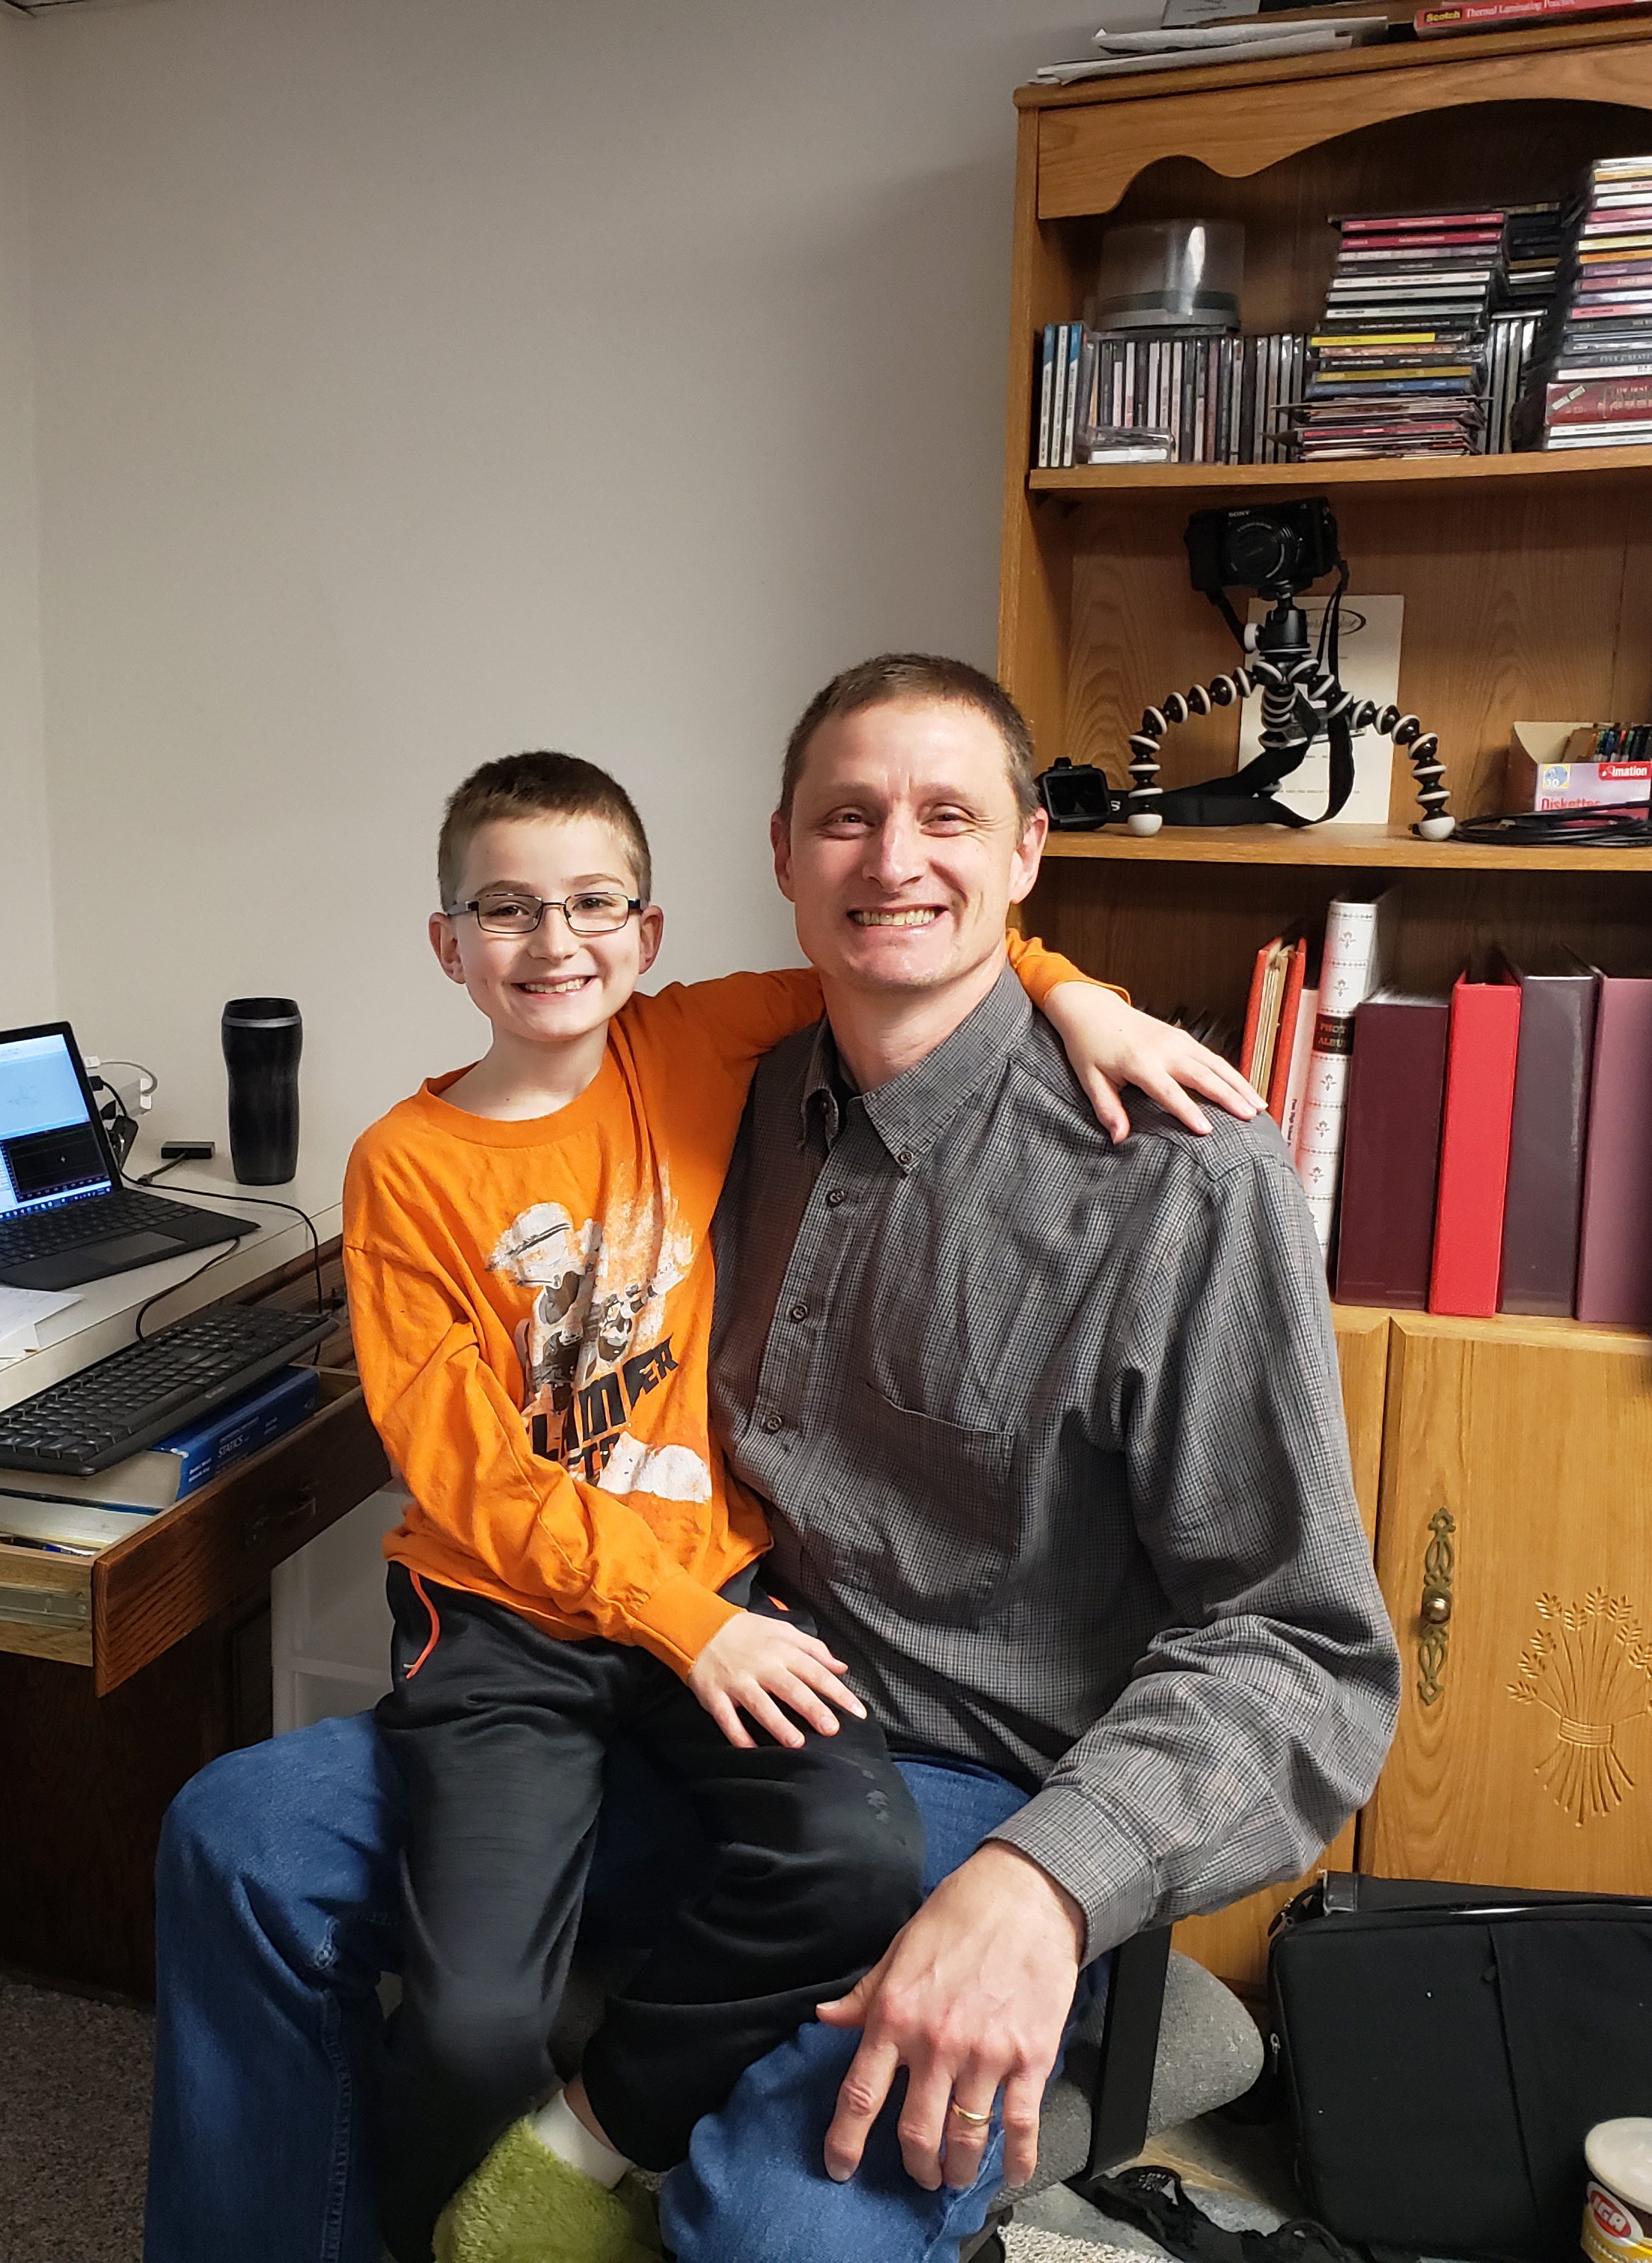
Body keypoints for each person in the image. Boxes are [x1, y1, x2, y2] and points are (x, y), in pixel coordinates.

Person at [144, 658, 1396, 2263]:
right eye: (848, 820)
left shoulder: (1179, 1184)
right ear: (785, 857)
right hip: (676, 1668)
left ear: (1026, 857)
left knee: (772, 2231)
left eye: (950, 817)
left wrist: (1048, 1886)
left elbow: (1303, 1647)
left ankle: (585, 2149)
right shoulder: (719, 1083)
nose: (893, 860)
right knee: (236, 1841)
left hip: (963, 1782)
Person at [344, 752, 1243, 2263]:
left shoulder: (692, 1037)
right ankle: (452, 2231)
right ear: (448, 944)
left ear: (646, 933)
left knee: (853, 1862)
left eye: (590, 906)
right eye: (506, 910)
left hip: (713, 1597)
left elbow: (911, 948)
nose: (553, 942)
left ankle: (586, 2150)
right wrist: (678, 1623)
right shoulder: (403, 1168)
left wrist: (1081, 994)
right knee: (469, 2016)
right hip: (506, 1618)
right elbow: (470, 1475)